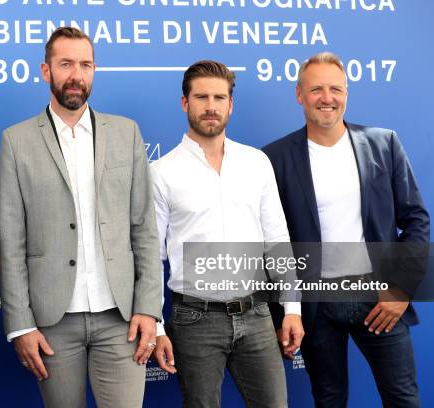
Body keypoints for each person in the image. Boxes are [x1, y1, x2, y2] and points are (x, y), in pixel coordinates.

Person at [0, 27, 162, 408]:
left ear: (94, 70)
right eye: (66, 64)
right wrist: (20, 323)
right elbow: (12, 239)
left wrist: (148, 308)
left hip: (121, 318)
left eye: (85, 65)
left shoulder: (126, 133)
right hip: (53, 321)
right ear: (45, 71)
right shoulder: (16, 140)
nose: (76, 75)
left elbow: (144, 229)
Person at [262, 51, 429, 407]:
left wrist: (400, 289)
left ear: (347, 93)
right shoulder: (274, 158)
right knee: (329, 399)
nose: (327, 98)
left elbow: (416, 221)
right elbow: (272, 245)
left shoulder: (384, 143)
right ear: (299, 95)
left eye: (335, 89)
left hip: (379, 296)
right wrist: (284, 315)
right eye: (316, 89)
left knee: (404, 399)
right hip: (316, 304)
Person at [151, 60, 303, 408]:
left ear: (230, 105)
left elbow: (277, 242)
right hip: (194, 320)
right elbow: (149, 259)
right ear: (184, 103)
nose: (211, 106)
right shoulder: (161, 173)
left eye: (219, 97)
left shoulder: (256, 163)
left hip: (257, 315)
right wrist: (157, 327)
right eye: (201, 97)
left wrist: (291, 309)